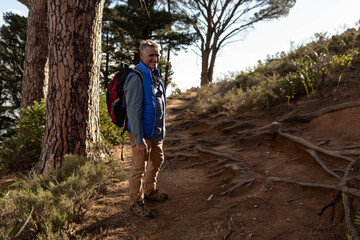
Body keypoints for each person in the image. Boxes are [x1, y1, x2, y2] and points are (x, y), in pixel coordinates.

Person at [124, 39, 167, 219]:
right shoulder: (137, 77)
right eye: (151, 55)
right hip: (140, 132)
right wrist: (139, 138)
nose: (155, 58)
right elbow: (133, 110)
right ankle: (135, 203)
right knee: (138, 168)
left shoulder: (155, 75)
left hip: (155, 132)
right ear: (142, 56)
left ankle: (149, 191)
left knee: (157, 160)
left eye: (157, 55)